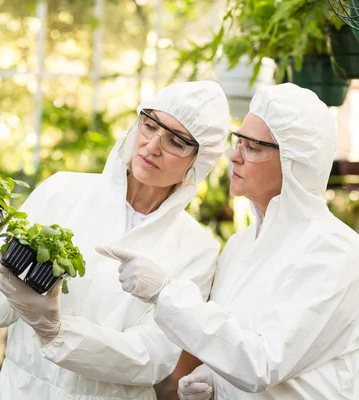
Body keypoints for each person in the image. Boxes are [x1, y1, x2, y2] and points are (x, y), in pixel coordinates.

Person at [0, 81, 230, 399]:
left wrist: (57, 331)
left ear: (197, 161)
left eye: (176, 142)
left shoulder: (197, 249)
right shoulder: (62, 191)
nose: (152, 146)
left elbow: (152, 357)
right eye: (149, 126)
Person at [98, 83, 359, 399]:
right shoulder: (239, 245)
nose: (234, 156)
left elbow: (262, 364)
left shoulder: (334, 251)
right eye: (239, 142)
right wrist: (215, 381)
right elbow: (234, 339)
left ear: (295, 162)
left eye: (253, 147)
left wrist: (165, 292)